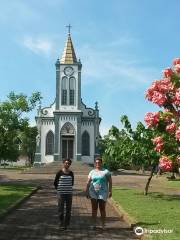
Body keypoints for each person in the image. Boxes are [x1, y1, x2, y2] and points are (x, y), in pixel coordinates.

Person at [86, 157, 112, 230]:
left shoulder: (106, 171)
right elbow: (88, 182)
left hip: (102, 192)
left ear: (101, 163)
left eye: (99, 162)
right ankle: (93, 224)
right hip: (93, 191)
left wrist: (110, 191)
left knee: (102, 208)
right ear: (94, 163)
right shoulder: (92, 172)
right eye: (96, 162)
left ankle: (103, 225)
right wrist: (86, 191)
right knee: (94, 208)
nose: (98, 164)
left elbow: (110, 181)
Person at [54, 158, 74, 230]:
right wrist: (59, 190)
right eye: (66, 163)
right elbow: (55, 183)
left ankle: (66, 224)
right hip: (61, 194)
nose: (67, 164)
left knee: (68, 210)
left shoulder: (71, 173)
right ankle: (61, 223)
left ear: (70, 164)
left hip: (69, 194)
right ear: (63, 163)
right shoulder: (59, 172)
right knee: (60, 209)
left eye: (68, 163)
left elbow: (72, 183)